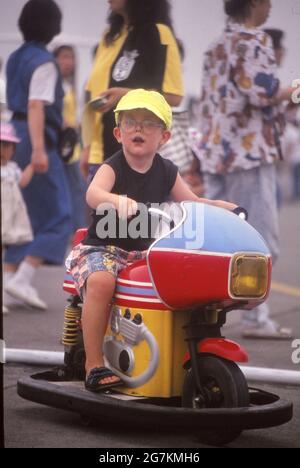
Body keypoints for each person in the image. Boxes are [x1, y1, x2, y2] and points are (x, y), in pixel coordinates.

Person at [67, 89, 237, 392]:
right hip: (103, 248)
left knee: (188, 278)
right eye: (130, 122)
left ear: (165, 136)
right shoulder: (113, 167)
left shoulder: (167, 170)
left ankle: (171, 356)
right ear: (118, 133)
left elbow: (192, 202)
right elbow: (93, 194)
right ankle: (93, 365)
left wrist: (227, 209)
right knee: (102, 281)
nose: (138, 128)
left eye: (148, 123)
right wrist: (115, 200)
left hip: (146, 252)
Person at [198, 0, 299, 339]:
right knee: (261, 237)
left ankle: (203, 310)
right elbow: (264, 93)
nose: (271, 6)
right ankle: (256, 319)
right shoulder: (255, 41)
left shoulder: (214, 46)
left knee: (217, 238)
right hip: (248, 154)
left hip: (216, 153)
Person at [4, 0, 72, 310]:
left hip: (11, 136)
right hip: (35, 138)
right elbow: (36, 105)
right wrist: (41, 151)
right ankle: (23, 278)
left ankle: (9, 282)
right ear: (52, 25)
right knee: (60, 215)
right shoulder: (45, 62)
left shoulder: (16, 57)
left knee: (20, 212)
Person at [80, 0, 184, 182]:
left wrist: (126, 95)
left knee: (130, 210)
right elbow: (93, 97)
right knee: (100, 209)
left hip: (134, 157)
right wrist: (88, 148)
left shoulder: (159, 33)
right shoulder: (108, 37)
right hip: (99, 154)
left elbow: (174, 96)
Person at [53, 45, 87, 234]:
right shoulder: (54, 86)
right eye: (64, 57)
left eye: (71, 58)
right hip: (62, 146)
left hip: (72, 145)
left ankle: (75, 233)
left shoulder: (69, 85)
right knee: (74, 192)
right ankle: (76, 234)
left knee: (76, 191)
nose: (68, 62)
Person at [1, 122, 34, 314]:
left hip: (9, 220)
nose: (2, 150)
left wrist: (31, 166)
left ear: (13, 149)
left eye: (7, 146)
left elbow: (22, 181)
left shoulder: (12, 168)